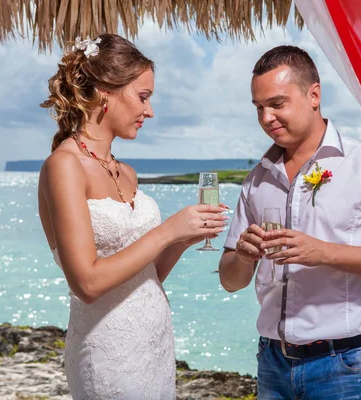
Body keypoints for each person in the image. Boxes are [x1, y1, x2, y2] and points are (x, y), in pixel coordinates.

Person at [218, 45, 361, 399]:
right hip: (272, 362)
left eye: (277, 103)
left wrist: (323, 252)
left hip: (345, 364)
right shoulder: (256, 179)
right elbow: (230, 281)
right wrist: (242, 256)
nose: (266, 117)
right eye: (259, 108)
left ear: (314, 95)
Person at [37, 34, 227, 399]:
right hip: (107, 352)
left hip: (153, 347)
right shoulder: (63, 167)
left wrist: (181, 240)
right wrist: (168, 229)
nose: (150, 111)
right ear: (107, 91)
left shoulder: (126, 172)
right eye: (143, 97)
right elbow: (88, 284)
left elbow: (145, 274)